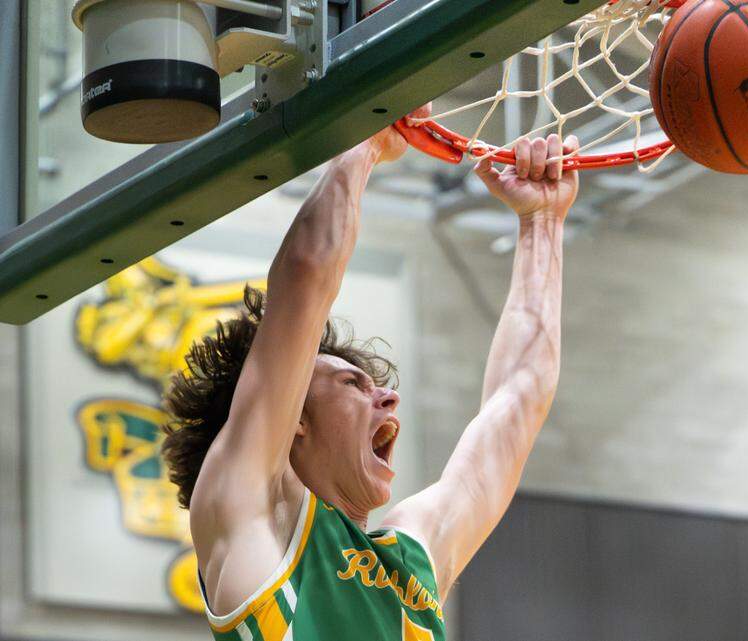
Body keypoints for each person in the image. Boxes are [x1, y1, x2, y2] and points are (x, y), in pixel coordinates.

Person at [161, 106, 579, 641]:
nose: (388, 397)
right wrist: (363, 133)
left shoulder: (412, 557)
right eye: (352, 384)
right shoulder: (247, 512)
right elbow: (307, 275)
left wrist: (541, 223)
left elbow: (518, 401)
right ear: (295, 420)